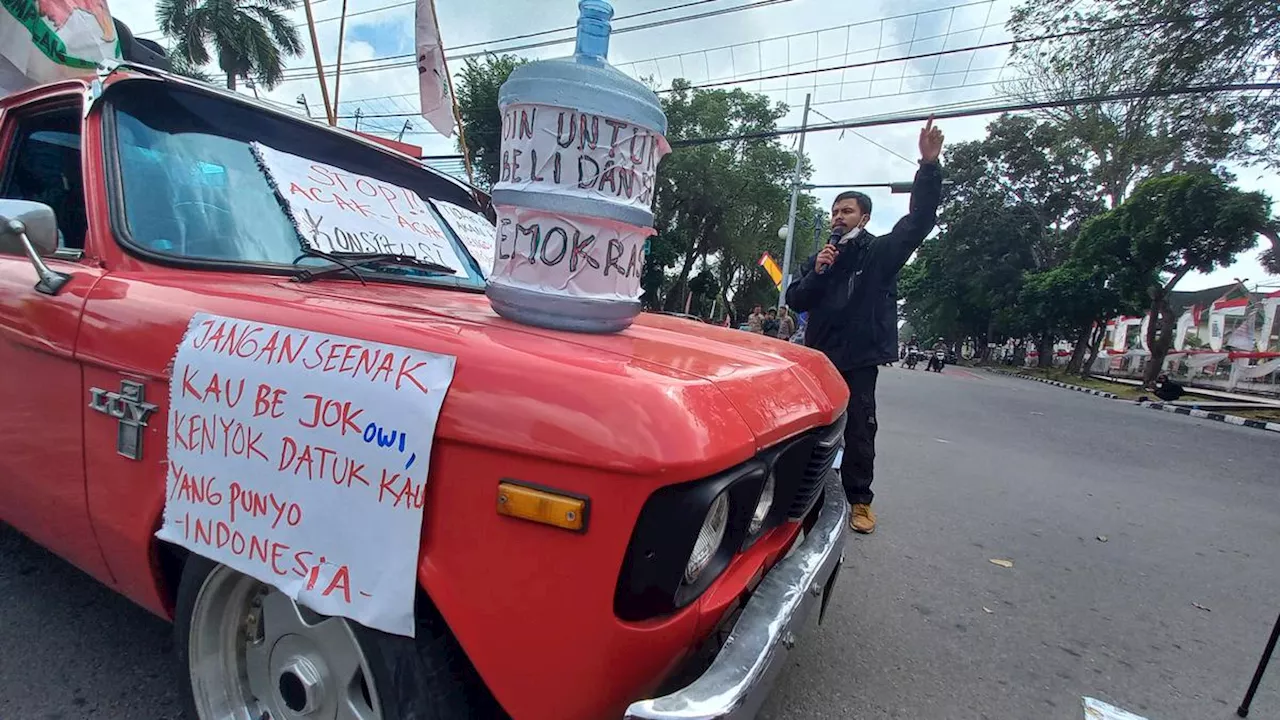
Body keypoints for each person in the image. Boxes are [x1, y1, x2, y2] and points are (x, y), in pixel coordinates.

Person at [785, 118, 945, 535]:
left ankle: (859, 500)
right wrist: (818, 272)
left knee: (859, 427)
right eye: (835, 211)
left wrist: (929, 167)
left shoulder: (880, 255)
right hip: (818, 359)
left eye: (847, 211)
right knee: (808, 428)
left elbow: (919, 223)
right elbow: (796, 299)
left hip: (858, 360)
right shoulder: (822, 256)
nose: (838, 217)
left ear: (865, 217)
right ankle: (797, 495)